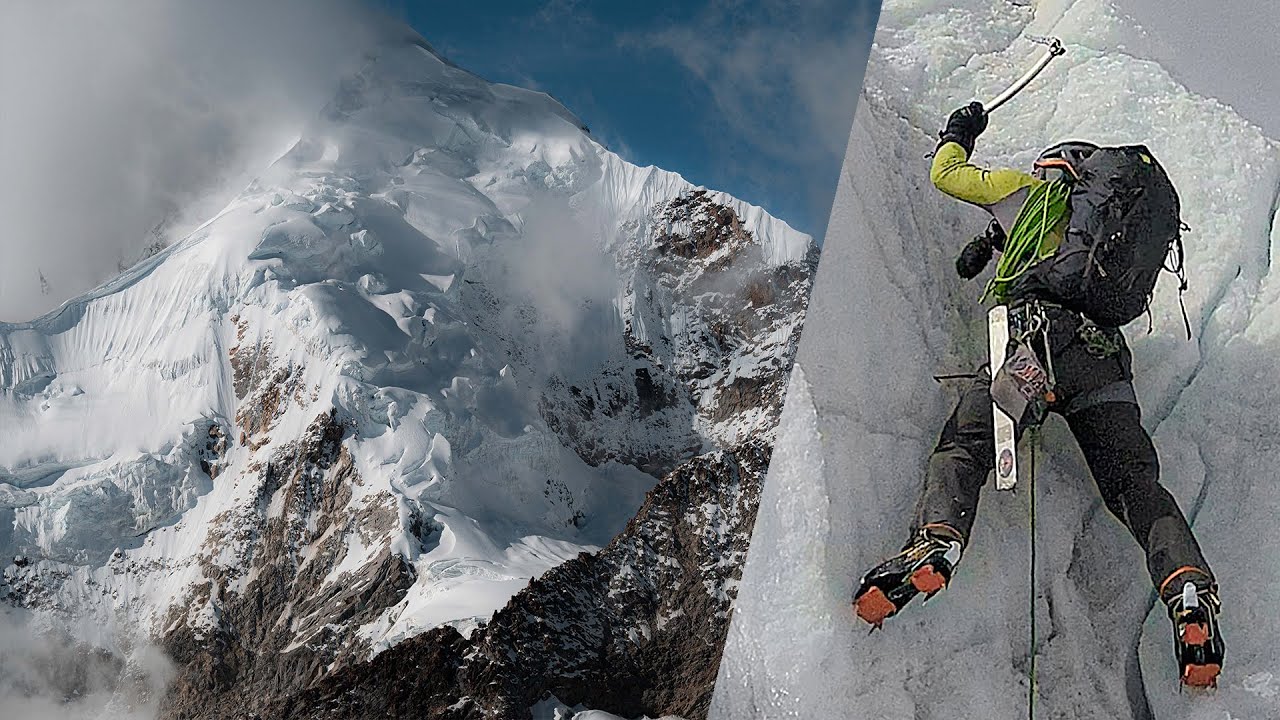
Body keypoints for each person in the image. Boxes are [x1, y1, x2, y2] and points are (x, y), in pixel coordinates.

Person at [851, 101, 1224, 688]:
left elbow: (946, 174)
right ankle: (1189, 588)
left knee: (966, 445)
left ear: (1059, 170)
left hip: (1034, 342)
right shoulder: (1106, 242)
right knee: (1133, 485)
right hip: (1102, 363)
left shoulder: (1030, 192)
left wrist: (958, 133)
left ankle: (935, 545)